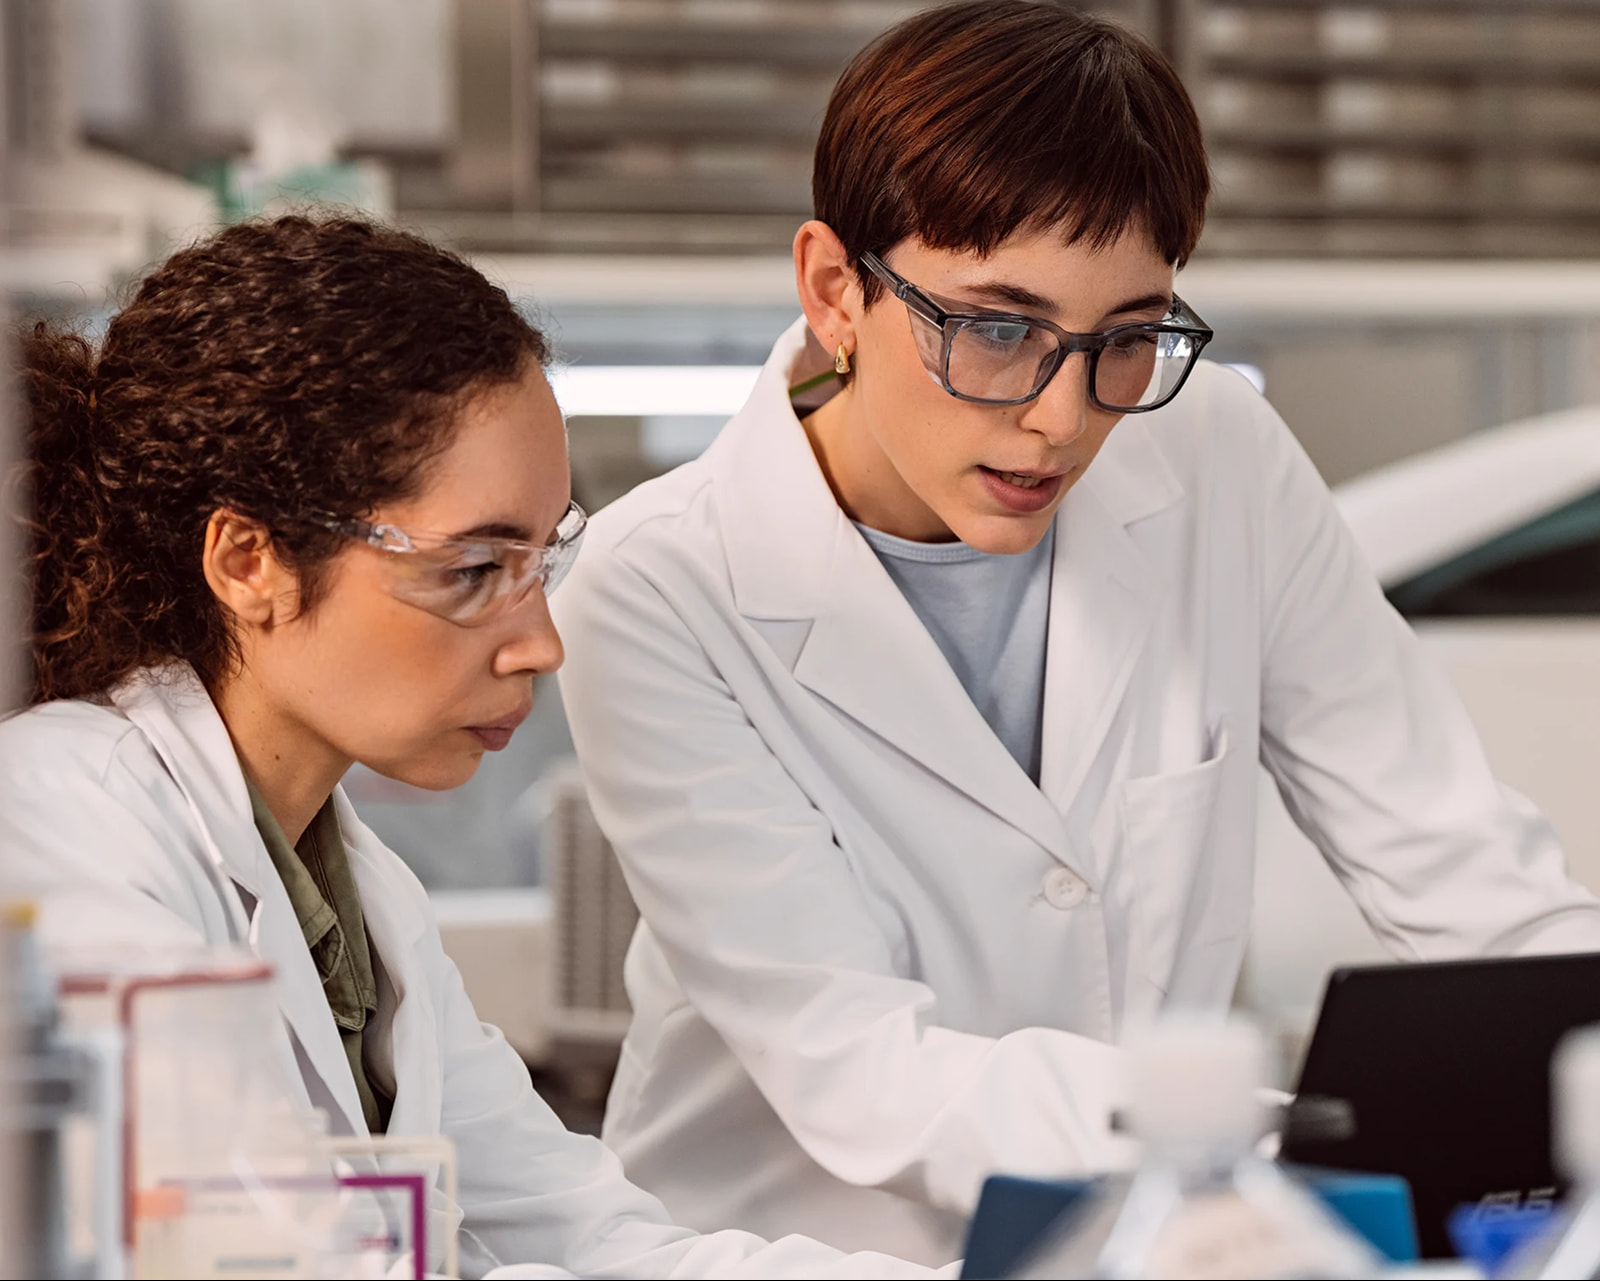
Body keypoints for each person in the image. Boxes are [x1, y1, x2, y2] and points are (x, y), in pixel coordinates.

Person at [550, 1, 1600, 1267]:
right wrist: (1280, 1148)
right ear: (835, 288)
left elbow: (1463, 869)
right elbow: (858, 1067)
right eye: (996, 329)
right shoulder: (657, 583)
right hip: (798, 1250)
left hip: (1138, 1244)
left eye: (1126, 337)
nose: (1061, 415)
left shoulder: (1214, 450)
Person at [0, 216, 948, 1280]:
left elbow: (600, 1243)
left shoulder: (364, 902)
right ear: (248, 559)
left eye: (543, 559)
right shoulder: (66, 827)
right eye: (470, 571)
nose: (539, 644)